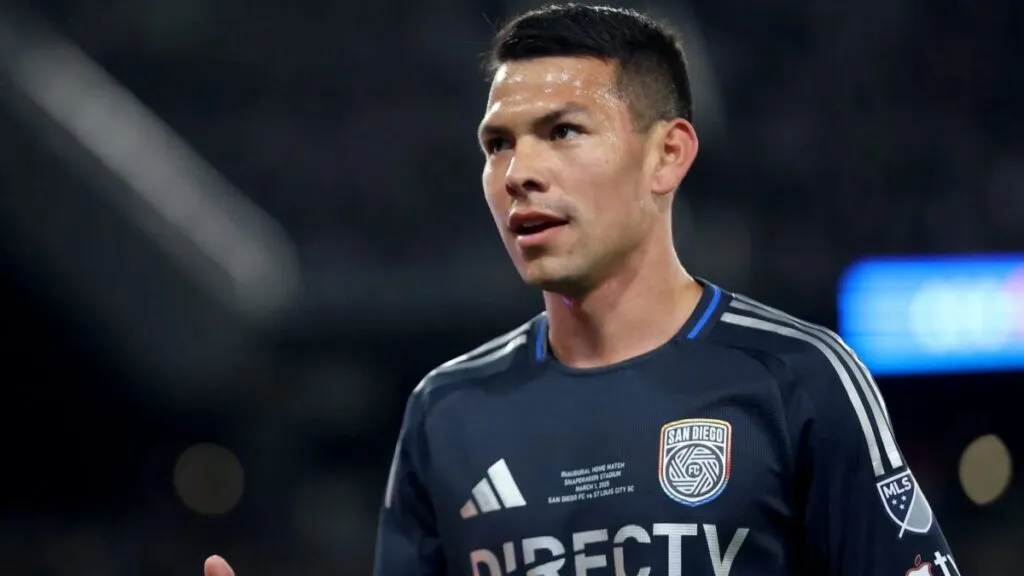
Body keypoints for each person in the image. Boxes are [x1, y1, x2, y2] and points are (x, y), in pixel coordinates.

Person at [206, 4, 961, 576]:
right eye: (498, 143)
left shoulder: (797, 379)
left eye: (563, 131)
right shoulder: (446, 411)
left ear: (667, 155)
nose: (518, 173)